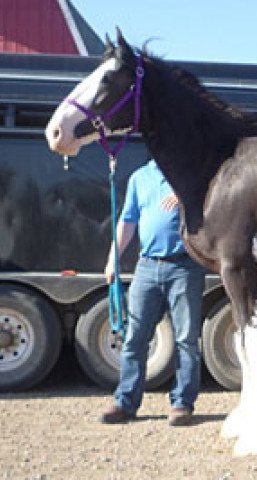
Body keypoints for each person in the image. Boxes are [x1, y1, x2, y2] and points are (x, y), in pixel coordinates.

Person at [100, 158, 205, 427]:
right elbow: (127, 222)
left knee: (186, 340)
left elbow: (211, 210)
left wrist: (184, 197)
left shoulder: (189, 173)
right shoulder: (139, 177)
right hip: (146, 267)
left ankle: (182, 404)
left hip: (185, 266)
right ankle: (125, 402)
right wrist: (113, 259)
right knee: (134, 338)